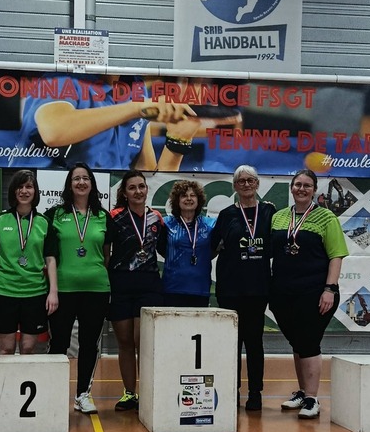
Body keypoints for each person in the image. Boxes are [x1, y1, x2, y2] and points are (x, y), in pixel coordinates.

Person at [18, 73, 240, 171]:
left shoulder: (136, 88)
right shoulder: (60, 80)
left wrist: (178, 139)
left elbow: (146, 174)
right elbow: (54, 131)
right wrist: (138, 108)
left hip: (111, 205)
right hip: (56, 202)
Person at [269, 168, 348, 420]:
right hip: (283, 292)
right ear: (291, 188)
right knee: (298, 343)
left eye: (307, 185)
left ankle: (313, 398)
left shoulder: (326, 217)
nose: (301, 189)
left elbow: (336, 256)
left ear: (314, 190)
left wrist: (329, 289)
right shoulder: (279, 217)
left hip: (315, 292)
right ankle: (303, 392)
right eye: (297, 184)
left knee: (309, 341)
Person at [46, 163, 113, 414]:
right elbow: (48, 253)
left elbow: (106, 255)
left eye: (86, 178)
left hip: (96, 290)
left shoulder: (103, 216)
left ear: (92, 184)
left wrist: (92, 272)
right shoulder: (55, 214)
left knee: (88, 344)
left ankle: (83, 394)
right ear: (69, 184)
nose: (81, 182)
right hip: (63, 289)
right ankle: (53, 393)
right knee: (59, 342)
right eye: (76, 179)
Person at [211, 164, 275, 412]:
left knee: (254, 342)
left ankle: (255, 393)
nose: (246, 184)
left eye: (250, 180)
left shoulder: (269, 211)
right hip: (230, 288)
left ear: (257, 184)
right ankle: (232, 390)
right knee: (231, 344)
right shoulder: (226, 214)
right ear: (235, 186)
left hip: (258, 288)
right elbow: (213, 246)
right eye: (241, 181)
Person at [0, 170, 58, 353]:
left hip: (35, 293)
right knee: (6, 349)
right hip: (4, 291)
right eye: (20, 187)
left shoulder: (44, 222)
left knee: (28, 348)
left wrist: (53, 292)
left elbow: (50, 259)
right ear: (13, 191)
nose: (24, 191)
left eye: (29, 187)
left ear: (35, 191)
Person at [107, 170, 163, 411]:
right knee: (125, 342)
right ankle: (130, 393)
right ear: (125, 192)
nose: (138, 191)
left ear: (147, 189)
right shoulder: (114, 217)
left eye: (141, 186)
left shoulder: (156, 218)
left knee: (143, 342)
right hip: (120, 284)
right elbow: (105, 250)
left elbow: (165, 248)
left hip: (149, 286)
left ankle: (149, 392)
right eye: (132, 187)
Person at [157, 179, 215, 307]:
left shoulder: (210, 225)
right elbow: (161, 249)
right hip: (172, 288)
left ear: (199, 200)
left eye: (192, 195)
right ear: (177, 201)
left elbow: (215, 249)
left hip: (200, 288)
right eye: (184, 196)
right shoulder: (166, 223)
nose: (189, 199)